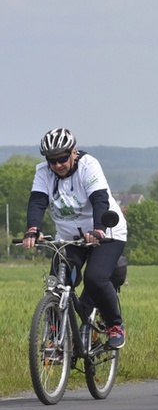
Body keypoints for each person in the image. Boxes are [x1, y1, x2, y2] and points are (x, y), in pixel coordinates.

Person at [23, 128, 128, 349]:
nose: (58, 165)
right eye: (52, 161)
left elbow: (100, 200)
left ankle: (115, 325)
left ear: (73, 152)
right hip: (70, 238)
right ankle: (54, 338)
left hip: (106, 233)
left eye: (62, 158)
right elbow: (37, 201)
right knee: (56, 284)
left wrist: (99, 229)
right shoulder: (43, 172)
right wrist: (33, 228)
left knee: (95, 277)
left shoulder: (88, 165)